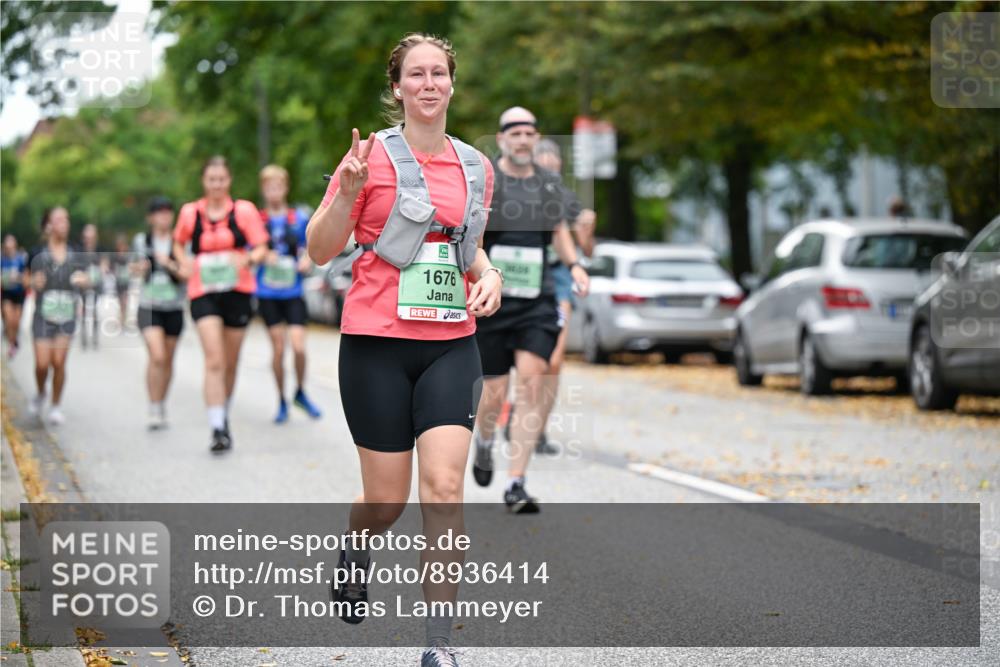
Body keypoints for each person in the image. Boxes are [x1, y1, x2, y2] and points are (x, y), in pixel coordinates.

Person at [306, 33, 501, 666]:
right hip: (376, 345)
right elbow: (320, 248)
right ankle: (358, 540)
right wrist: (346, 191)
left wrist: (489, 275)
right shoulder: (367, 158)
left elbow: (465, 246)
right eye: (414, 74)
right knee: (387, 500)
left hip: (451, 346)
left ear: (451, 83)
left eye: (438, 73)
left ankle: (438, 647)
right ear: (397, 88)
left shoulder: (476, 166)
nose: (427, 83)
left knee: (443, 490)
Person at [470, 106, 590, 514]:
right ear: (502, 139)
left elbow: (559, 231)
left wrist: (574, 266)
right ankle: (484, 442)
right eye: (515, 133)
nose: (523, 139)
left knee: (534, 382)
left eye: (529, 133)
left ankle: (516, 483)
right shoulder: (490, 182)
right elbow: (475, 237)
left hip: (536, 301)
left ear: (536, 140)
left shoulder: (548, 185)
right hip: (494, 300)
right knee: (493, 393)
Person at [173, 156, 269, 453]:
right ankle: (217, 427)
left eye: (221, 179)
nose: (216, 184)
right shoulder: (191, 212)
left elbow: (262, 246)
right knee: (214, 359)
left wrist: (250, 258)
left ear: (229, 181)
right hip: (203, 291)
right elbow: (178, 243)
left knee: (229, 362)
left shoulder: (244, 211)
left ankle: (222, 412)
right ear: (204, 181)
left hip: (237, 290)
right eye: (211, 179)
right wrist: (183, 261)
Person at [529, 138, 595, 454]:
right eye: (543, 164)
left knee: (552, 361)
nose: (548, 170)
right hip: (522, 274)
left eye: (553, 166)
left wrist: (586, 232)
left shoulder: (567, 199)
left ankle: (537, 429)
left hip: (557, 277)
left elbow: (586, 251)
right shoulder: (514, 192)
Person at [256, 165, 322, 423]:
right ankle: (282, 399)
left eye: (278, 186)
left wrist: (308, 259)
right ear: (263, 190)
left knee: (298, 346)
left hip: (293, 291)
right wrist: (264, 255)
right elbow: (251, 251)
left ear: (285, 187)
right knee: (278, 348)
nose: (274, 191)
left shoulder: (299, 217)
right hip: (268, 292)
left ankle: (300, 392)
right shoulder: (258, 220)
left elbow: (312, 245)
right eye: (269, 187)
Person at [26, 207, 91, 425]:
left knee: (59, 362)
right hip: (43, 315)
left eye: (67, 219)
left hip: (67, 314)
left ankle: (55, 405)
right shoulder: (37, 253)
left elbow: (87, 278)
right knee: (42, 364)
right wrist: (33, 282)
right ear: (48, 225)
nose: (64, 223)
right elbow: (26, 279)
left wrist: (84, 281)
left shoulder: (76, 251)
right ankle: (40, 393)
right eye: (59, 219)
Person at [136, 197, 186, 430]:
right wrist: (139, 268)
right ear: (151, 217)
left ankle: (162, 401)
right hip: (149, 306)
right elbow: (131, 267)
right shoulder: (142, 241)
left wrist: (169, 264)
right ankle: (153, 405)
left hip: (174, 307)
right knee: (157, 356)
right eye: (159, 212)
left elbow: (188, 272)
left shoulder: (181, 241)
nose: (164, 216)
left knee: (167, 360)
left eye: (168, 212)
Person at [77, 223, 105, 350]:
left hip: (95, 283)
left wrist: (101, 271)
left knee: (94, 309)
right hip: (82, 283)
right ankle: (83, 335)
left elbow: (104, 265)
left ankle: (94, 337)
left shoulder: (99, 249)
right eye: (87, 234)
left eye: (92, 234)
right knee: (83, 309)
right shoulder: (79, 249)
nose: (89, 237)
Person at [1, 234, 28, 357]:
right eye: (7, 246)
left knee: (16, 321)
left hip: (19, 293)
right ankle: (12, 344)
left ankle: (14, 339)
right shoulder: (2, 260)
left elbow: (27, 277)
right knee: (8, 317)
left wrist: (19, 277)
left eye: (11, 245)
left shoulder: (21, 259)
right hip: (6, 293)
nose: (9, 248)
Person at [110, 233, 134, 326]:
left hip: (126, 281)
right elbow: (111, 267)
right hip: (118, 281)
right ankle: (121, 317)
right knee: (120, 301)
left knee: (125, 300)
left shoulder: (128, 255)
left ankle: (123, 318)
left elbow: (132, 266)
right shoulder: (115, 256)